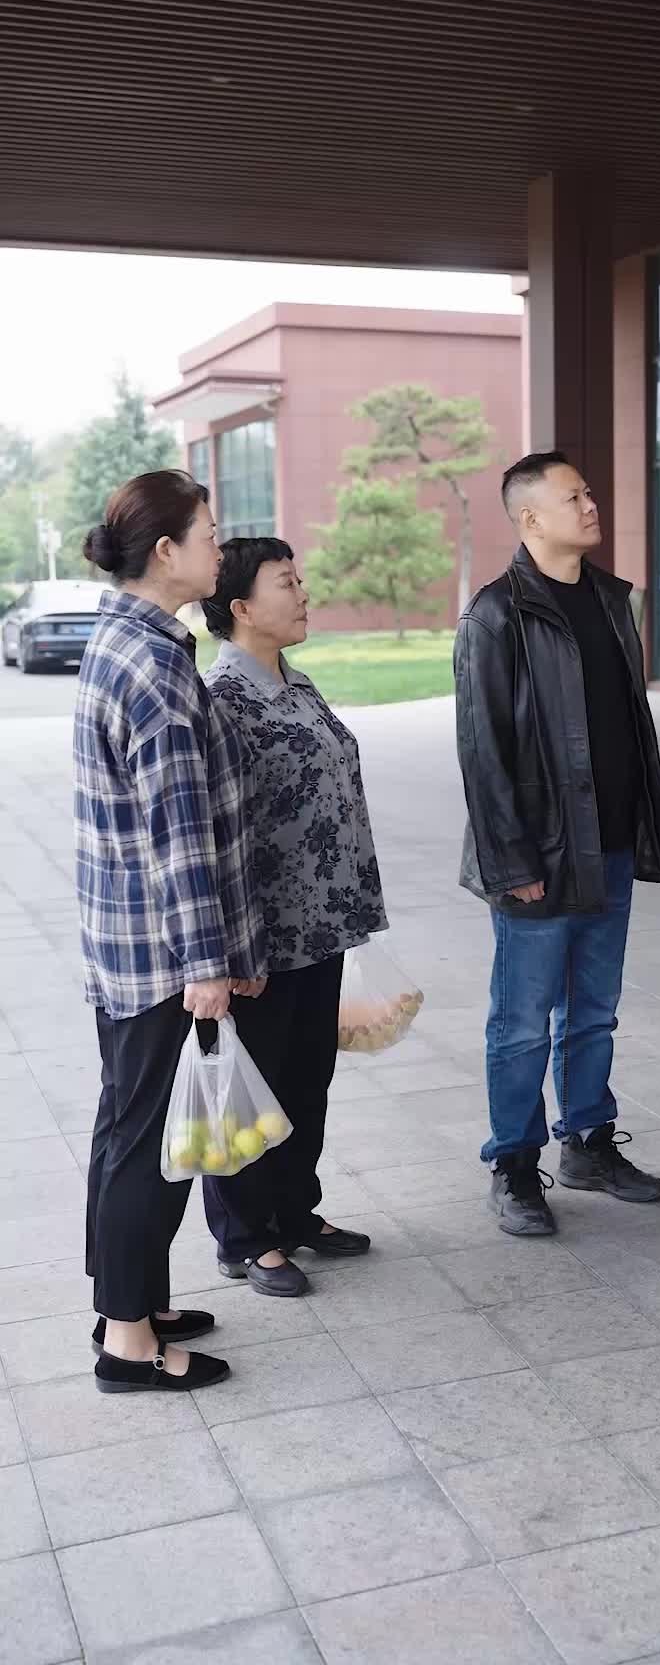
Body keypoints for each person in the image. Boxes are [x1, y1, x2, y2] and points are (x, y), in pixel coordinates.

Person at [454, 451, 660, 1236]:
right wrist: (510, 861)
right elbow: (482, 751)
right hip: (538, 859)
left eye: (588, 492)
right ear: (530, 519)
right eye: (573, 496)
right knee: (521, 1022)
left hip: (610, 845)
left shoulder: (613, 601)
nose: (591, 505)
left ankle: (588, 1141)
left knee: (594, 1012)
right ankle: (515, 1166)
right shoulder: (495, 615)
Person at [76, 470, 267, 1394]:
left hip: (127, 941)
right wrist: (209, 964)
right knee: (149, 1147)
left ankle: (130, 1305)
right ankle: (129, 1343)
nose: (220, 549)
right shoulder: (153, 666)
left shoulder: (124, 639)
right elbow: (179, 835)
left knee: (127, 1129)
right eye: (210, 534)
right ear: (166, 550)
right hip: (161, 953)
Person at [200, 536, 387, 1296]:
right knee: (254, 1085)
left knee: (307, 1079)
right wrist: (226, 950)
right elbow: (216, 830)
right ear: (242, 607)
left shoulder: (296, 682)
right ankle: (246, 1237)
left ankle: (294, 1212)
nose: (303, 592)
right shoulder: (223, 699)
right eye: (287, 582)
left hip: (322, 923)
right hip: (262, 939)